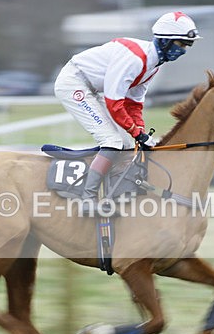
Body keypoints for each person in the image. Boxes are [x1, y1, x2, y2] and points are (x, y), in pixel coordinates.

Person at [54, 11, 201, 213]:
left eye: (188, 45)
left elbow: (134, 103)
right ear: (166, 41)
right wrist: (137, 132)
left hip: (93, 88)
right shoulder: (136, 59)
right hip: (74, 83)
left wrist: (139, 132)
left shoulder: (153, 65)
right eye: (181, 44)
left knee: (126, 143)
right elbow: (115, 103)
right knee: (112, 142)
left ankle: (115, 193)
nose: (184, 50)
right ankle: (86, 199)